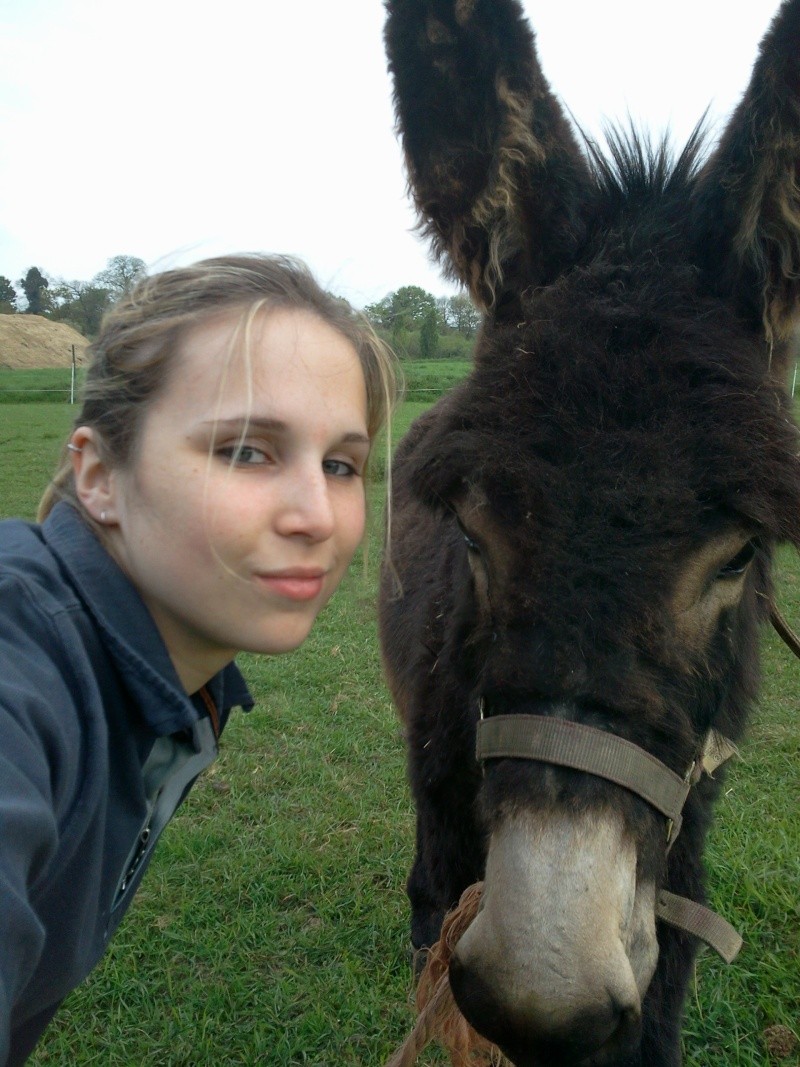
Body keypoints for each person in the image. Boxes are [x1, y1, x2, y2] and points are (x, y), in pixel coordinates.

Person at [0, 254, 397, 1065]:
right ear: (101, 475)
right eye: (247, 451)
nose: (318, 515)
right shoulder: (23, 660)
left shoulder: (170, 681)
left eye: (341, 464)